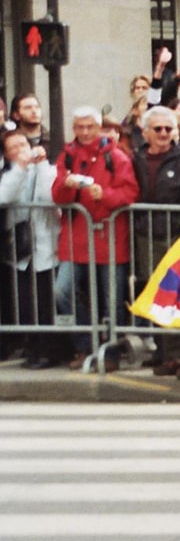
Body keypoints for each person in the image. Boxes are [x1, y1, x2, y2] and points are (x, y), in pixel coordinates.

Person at [51, 106, 140, 371]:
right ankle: (85, 343)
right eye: (79, 127)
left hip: (110, 237)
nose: (85, 132)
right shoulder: (67, 156)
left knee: (112, 299)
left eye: (90, 126)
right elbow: (57, 196)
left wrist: (107, 195)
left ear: (99, 127)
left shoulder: (117, 156)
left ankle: (110, 351)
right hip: (76, 238)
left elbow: (131, 193)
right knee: (61, 291)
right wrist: (65, 187)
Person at [131, 105, 180, 380]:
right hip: (146, 233)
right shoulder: (137, 159)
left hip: (179, 234)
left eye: (168, 128)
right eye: (158, 129)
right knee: (160, 295)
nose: (163, 134)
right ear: (146, 132)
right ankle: (170, 354)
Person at [0, 129, 65, 368]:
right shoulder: (9, 175)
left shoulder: (47, 170)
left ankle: (50, 350)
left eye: (22, 145)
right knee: (27, 304)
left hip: (47, 247)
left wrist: (39, 165)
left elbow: (50, 196)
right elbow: (4, 196)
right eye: (13, 148)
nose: (20, 151)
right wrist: (20, 169)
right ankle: (33, 348)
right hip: (21, 251)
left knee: (47, 303)